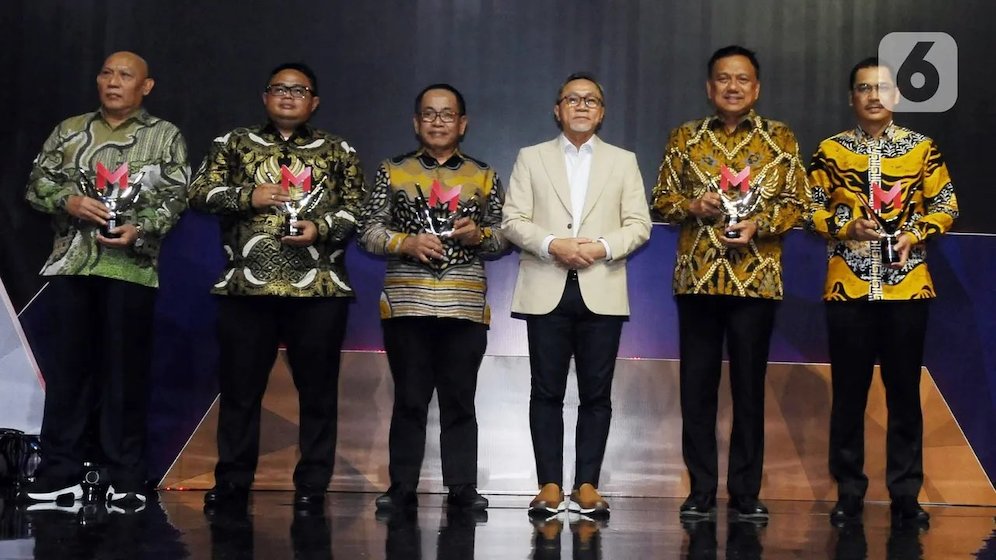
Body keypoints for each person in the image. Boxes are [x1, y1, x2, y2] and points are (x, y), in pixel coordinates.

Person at [188, 62, 365, 513]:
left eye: (299, 90)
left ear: (315, 101)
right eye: (279, 89)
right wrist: (250, 196)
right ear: (265, 97)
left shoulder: (337, 149)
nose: (288, 96)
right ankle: (232, 482)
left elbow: (358, 210)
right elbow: (198, 193)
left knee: (319, 394)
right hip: (247, 289)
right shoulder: (234, 143)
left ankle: (312, 486)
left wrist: (320, 227)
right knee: (241, 392)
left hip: (318, 290)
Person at [22, 51, 189, 508]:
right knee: (69, 372)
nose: (113, 82)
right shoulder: (71, 129)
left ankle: (125, 474)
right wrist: (67, 201)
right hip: (72, 264)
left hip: (131, 267)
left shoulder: (164, 135)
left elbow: (176, 197)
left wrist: (143, 227)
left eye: (125, 75)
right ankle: (60, 471)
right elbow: (37, 182)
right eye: (106, 73)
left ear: (146, 86)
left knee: (124, 375)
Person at [652, 45, 807, 520]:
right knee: (696, 389)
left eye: (742, 79)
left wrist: (760, 223)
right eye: (723, 78)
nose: (733, 87)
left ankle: (745, 492)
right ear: (709, 87)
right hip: (697, 280)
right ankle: (700, 490)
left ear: (756, 88)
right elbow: (660, 199)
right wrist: (691, 207)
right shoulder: (685, 137)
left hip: (755, 283)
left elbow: (797, 201)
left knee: (748, 388)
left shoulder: (780, 138)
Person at [807, 57, 957, 525]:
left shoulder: (921, 148)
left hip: (906, 289)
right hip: (847, 288)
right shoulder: (831, 151)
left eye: (882, 88)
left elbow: (947, 202)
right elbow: (807, 205)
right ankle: (849, 492)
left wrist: (920, 231)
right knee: (849, 395)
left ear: (895, 96)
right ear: (851, 97)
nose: (873, 96)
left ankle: (905, 496)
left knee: (904, 394)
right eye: (863, 88)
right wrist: (844, 227)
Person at [503, 72, 651, 517]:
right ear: (558, 109)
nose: (582, 106)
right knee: (545, 392)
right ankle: (549, 485)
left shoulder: (623, 161)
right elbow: (512, 220)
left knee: (597, 395)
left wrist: (600, 248)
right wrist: (554, 244)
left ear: (602, 112)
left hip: (601, 289)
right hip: (546, 287)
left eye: (591, 100)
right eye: (573, 99)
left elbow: (639, 225)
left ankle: (587, 485)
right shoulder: (531, 158)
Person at [358, 83, 506, 512]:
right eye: (429, 114)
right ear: (415, 122)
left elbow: (502, 237)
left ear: (463, 123)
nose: (437, 121)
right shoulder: (393, 169)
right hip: (406, 304)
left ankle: (462, 488)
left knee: (460, 400)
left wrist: (480, 235)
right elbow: (367, 231)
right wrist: (404, 243)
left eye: (447, 114)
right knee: (409, 399)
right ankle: (401, 487)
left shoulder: (484, 174)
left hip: (464, 307)